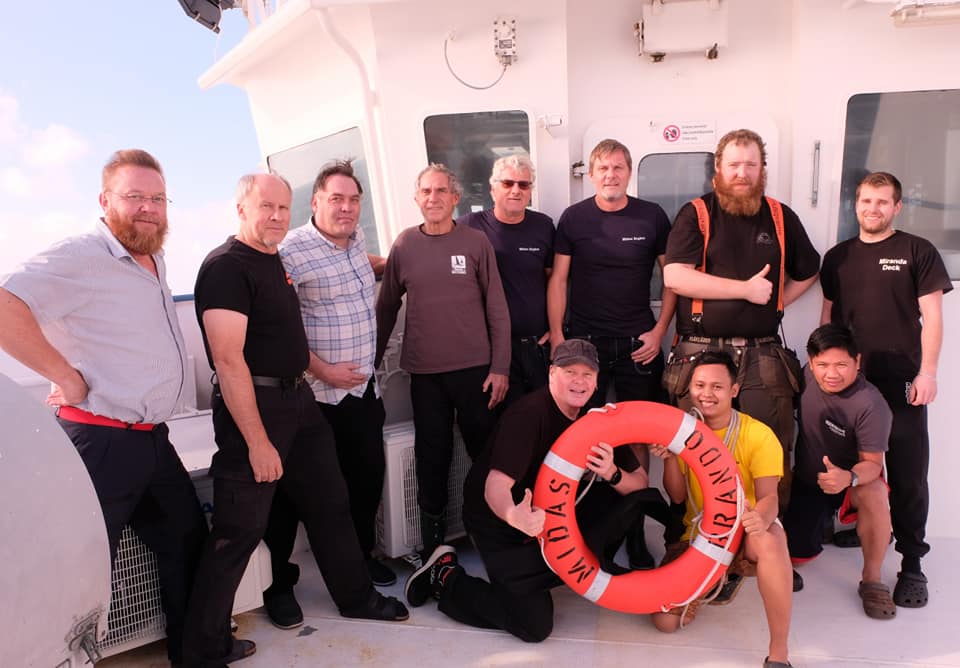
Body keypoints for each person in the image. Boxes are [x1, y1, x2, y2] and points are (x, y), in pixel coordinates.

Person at [182, 173, 407, 667]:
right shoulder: (225, 268)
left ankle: (357, 598)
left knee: (331, 502)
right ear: (241, 208)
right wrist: (258, 442)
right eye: (267, 207)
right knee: (237, 532)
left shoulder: (274, 259)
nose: (278, 217)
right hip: (256, 409)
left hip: (299, 402)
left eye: (284, 208)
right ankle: (201, 649)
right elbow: (228, 360)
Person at [0, 149, 209, 666]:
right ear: (104, 200)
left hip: (151, 440)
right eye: (134, 196)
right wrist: (64, 376)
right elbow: (6, 307)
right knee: (80, 566)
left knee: (187, 539)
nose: (148, 208)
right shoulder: (81, 256)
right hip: (99, 442)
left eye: (157, 198)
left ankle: (193, 654)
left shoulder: (152, 256)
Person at [403, 339, 655, 642]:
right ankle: (444, 577)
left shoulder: (596, 419)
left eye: (587, 374)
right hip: (499, 522)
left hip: (549, 515)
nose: (579, 381)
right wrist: (514, 515)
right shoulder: (529, 414)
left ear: (597, 380)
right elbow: (495, 485)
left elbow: (640, 484)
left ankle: (563, 566)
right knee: (534, 625)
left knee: (635, 500)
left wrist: (611, 473)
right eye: (569, 371)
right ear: (551, 373)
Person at [256, 161, 394, 630]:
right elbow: (279, 325)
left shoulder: (355, 245)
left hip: (362, 395)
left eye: (354, 200)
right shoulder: (291, 251)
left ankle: (357, 560)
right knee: (291, 500)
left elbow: (366, 269)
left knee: (365, 482)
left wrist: (400, 260)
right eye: (336, 199)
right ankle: (279, 586)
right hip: (313, 398)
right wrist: (323, 370)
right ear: (314, 203)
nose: (346, 207)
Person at [663, 128, 820, 502]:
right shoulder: (696, 213)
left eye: (751, 165)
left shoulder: (781, 217)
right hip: (699, 354)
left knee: (770, 450)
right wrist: (746, 291)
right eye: (733, 164)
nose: (742, 173)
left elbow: (810, 270)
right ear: (717, 168)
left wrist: (775, 302)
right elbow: (675, 276)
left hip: (763, 359)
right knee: (693, 450)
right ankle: (690, 538)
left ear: (763, 169)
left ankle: (764, 544)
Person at [819, 171, 951, 607]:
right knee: (844, 464)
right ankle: (862, 529)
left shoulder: (917, 251)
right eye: (865, 201)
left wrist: (927, 373)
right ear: (854, 205)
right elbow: (829, 320)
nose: (872, 209)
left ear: (897, 207)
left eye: (882, 202)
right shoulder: (838, 257)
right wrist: (824, 372)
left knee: (909, 476)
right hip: (851, 384)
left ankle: (912, 564)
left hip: (901, 384)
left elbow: (932, 316)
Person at [547, 137, 676, 569]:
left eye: (619, 168)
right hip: (586, 346)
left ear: (629, 172)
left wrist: (660, 331)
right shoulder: (574, 218)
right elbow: (559, 281)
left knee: (639, 437)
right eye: (603, 168)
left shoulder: (652, 216)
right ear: (592, 172)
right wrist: (558, 337)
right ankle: (593, 526)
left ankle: (635, 534)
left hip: (639, 344)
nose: (610, 176)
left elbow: (671, 279)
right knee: (585, 435)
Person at [375, 163, 511, 557]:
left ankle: (493, 536)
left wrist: (500, 366)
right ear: (416, 199)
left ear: (455, 198)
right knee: (431, 458)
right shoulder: (404, 246)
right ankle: (435, 547)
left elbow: (497, 308)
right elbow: (386, 308)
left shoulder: (475, 243)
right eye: (426, 192)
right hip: (426, 375)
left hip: (476, 373)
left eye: (441, 192)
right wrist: (371, 360)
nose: (433, 199)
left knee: (485, 453)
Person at [651, 352, 793, 668]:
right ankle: (715, 579)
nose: (706, 394)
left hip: (745, 531)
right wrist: (670, 457)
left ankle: (779, 653)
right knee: (665, 623)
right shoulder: (684, 433)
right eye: (700, 385)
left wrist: (762, 519)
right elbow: (676, 496)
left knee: (770, 542)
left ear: (734, 390)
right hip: (701, 534)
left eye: (717, 386)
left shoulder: (757, 434)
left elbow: (770, 498)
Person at [783, 324, 895, 620]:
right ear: (810, 361)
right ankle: (830, 526)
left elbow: (873, 464)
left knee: (874, 491)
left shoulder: (871, 403)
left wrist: (848, 477)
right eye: (823, 365)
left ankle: (872, 579)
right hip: (810, 482)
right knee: (797, 556)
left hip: (852, 482)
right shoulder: (803, 376)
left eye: (842, 365)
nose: (832, 374)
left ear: (858, 362)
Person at [461, 154, 555, 406]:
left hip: (538, 347)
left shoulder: (544, 226)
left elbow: (556, 281)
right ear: (493, 189)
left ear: (530, 191)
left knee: (542, 420)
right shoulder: (469, 226)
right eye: (507, 184)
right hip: (492, 350)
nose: (516, 190)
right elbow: (432, 248)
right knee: (502, 424)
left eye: (523, 185)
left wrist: (557, 328)